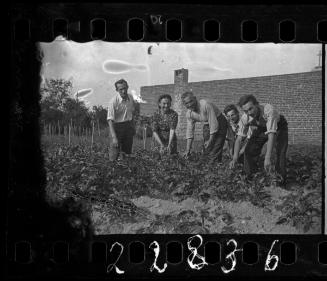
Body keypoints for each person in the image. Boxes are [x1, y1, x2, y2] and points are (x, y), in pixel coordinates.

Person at [229, 95, 288, 183]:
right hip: (261, 127)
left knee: (279, 152)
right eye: (245, 111)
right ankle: (252, 178)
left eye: (250, 109)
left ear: (257, 104)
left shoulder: (268, 110)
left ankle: (280, 181)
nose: (249, 113)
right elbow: (239, 138)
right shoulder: (245, 117)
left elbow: (271, 134)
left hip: (279, 126)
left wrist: (267, 158)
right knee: (249, 150)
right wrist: (234, 158)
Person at [181, 91, 228, 164]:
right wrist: (188, 149)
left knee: (216, 147)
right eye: (186, 103)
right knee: (207, 147)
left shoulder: (205, 105)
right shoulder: (189, 114)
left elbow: (213, 123)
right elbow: (190, 131)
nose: (190, 104)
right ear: (184, 104)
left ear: (195, 99)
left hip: (219, 121)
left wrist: (211, 139)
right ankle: (207, 165)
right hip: (207, 124)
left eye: (191, 101)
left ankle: (215, 166)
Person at [107, 79, 139, 156]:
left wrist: (133, 127)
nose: (124, 91)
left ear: (127, 87)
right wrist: (114, 137)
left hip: (128, 127)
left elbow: (132, 113)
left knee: (127, 153)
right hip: (116, 128)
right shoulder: (113, 101)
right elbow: (110, 120)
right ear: (117, 90)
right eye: (121, 89)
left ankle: (126, 166)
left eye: (125, 88)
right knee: (114, 154)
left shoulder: (131, 98)